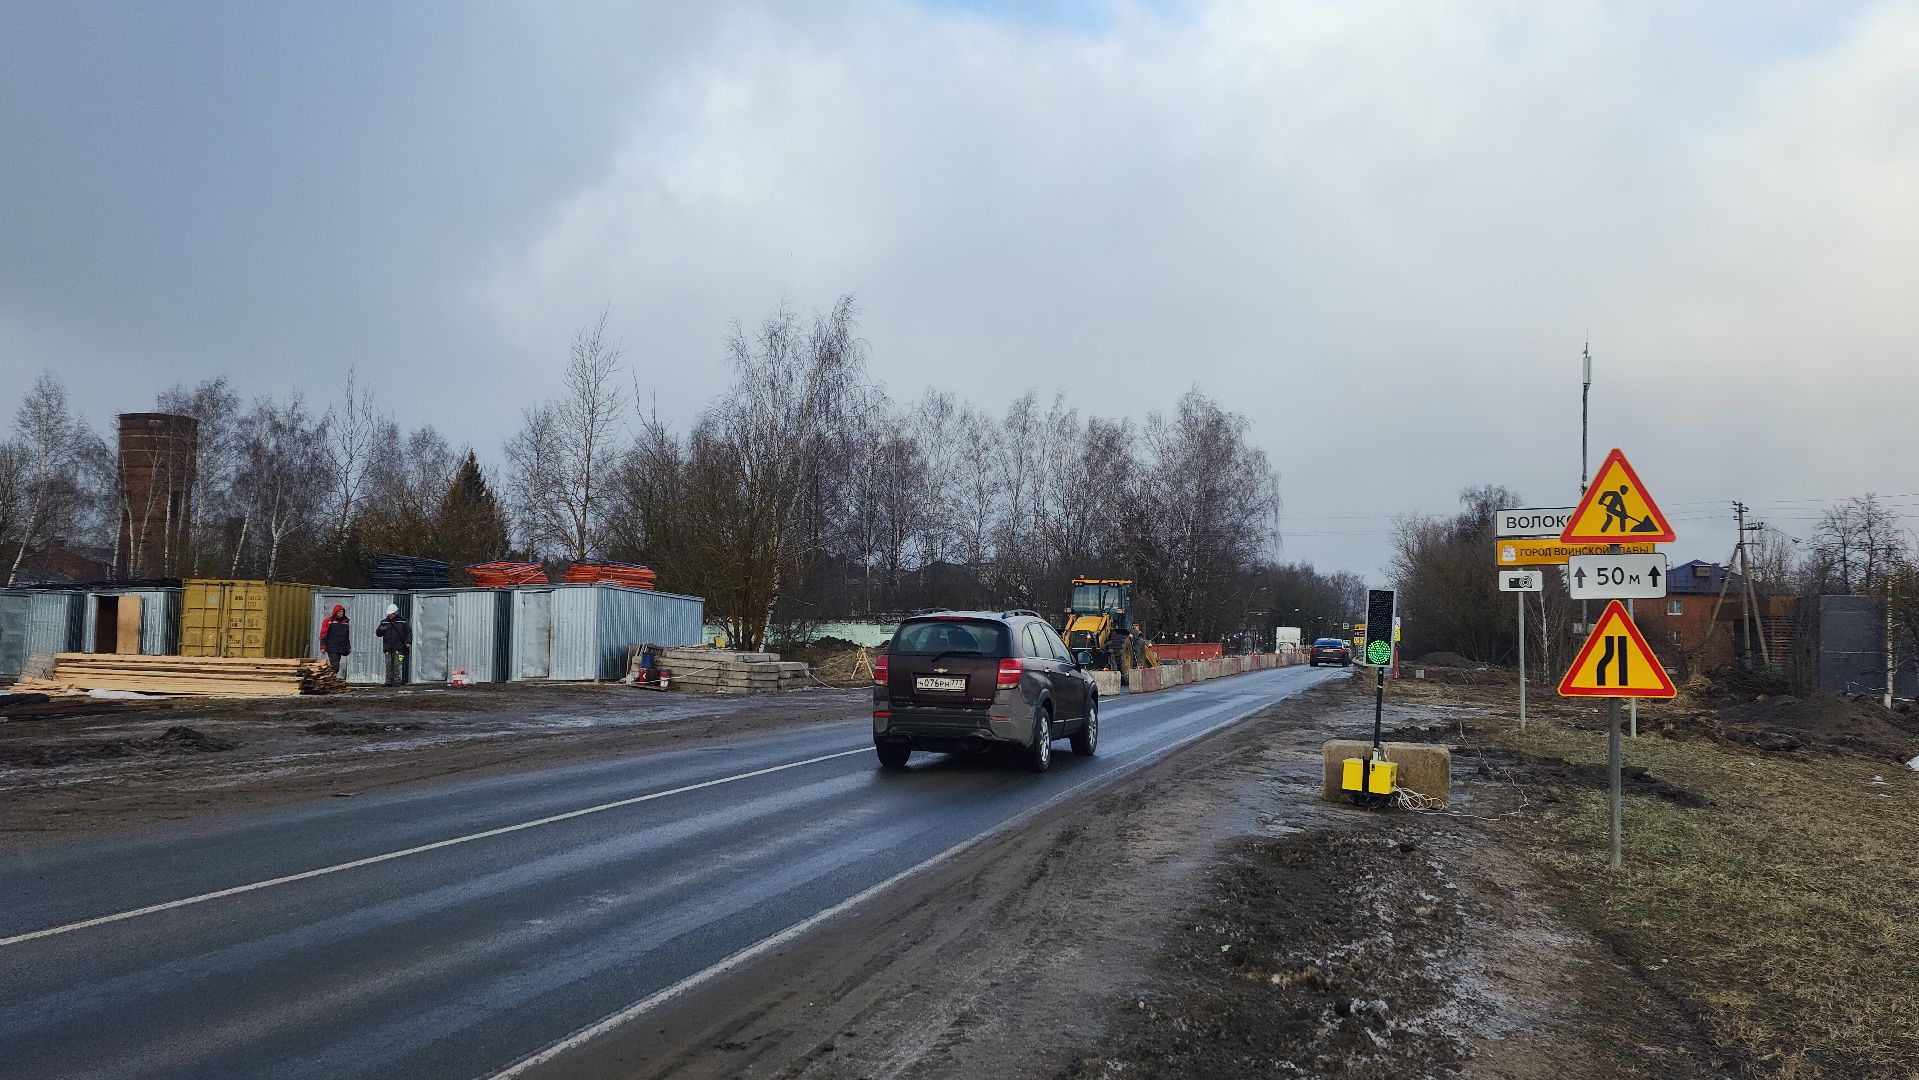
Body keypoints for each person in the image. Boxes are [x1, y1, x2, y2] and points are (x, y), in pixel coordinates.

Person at [375, 603, 410, 687]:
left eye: (391, 613)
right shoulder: (384, 622)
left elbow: (408, 632)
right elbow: (378, 633)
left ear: (395, 613)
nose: (389, 615)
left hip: (400, 648)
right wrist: (380, 630)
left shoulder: (403, 621)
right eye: (389, 614)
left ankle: (397, 680)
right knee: (388, 664)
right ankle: (388, 681)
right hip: (388, 648)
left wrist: (408, 642)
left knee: (398, 664)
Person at [318, 604, 352, 675]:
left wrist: (348, 647)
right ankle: (329, 678)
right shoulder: (328, 621)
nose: (341, 613)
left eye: (342, 611)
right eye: (339, 611)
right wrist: (322, 646)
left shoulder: (345, 622)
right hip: (331, 647)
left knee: (336, 664)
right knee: (335, 665)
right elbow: (323, 634)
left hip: (340, 648)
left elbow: (346, 636)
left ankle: (330, 678)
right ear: (335, 612)